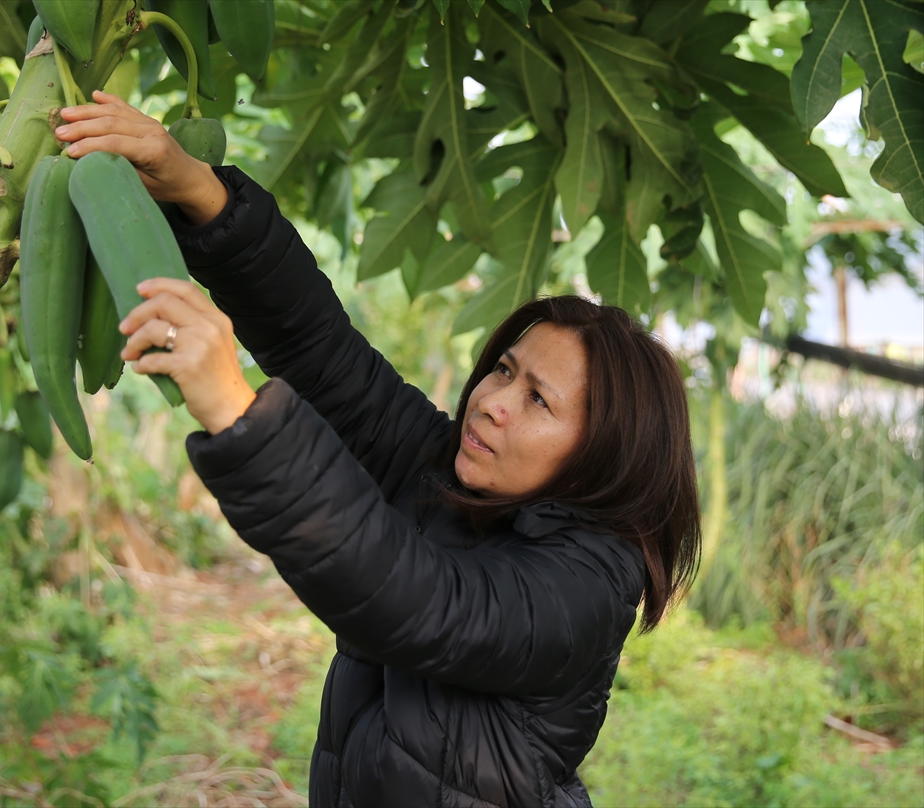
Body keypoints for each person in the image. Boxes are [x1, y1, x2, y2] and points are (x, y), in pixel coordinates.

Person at [57, 91, 701, 808]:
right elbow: (325, 355)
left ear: (602, 455)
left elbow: (415, 601)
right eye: (504, 370)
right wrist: (200, 190)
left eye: (537, 400)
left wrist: (236, 408)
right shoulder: (460, 484)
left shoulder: (584, 588)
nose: (490, 399)